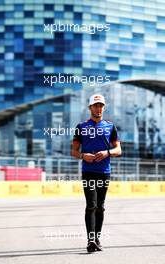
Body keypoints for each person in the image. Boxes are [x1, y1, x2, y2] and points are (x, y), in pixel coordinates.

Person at [71, 94, 122, 253]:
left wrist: (107, 152)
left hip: (104, 172)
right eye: (95, 105)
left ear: (103, 108)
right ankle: (90, 240)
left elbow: (118, 150)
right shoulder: (81, 126)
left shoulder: (110, 126)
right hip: (88, 172)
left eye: (101, 106)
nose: (98, 108)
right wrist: (82, 156)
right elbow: (73, 151)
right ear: (90, 108)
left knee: (100, 207)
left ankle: (97, 238)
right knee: (91, 205)